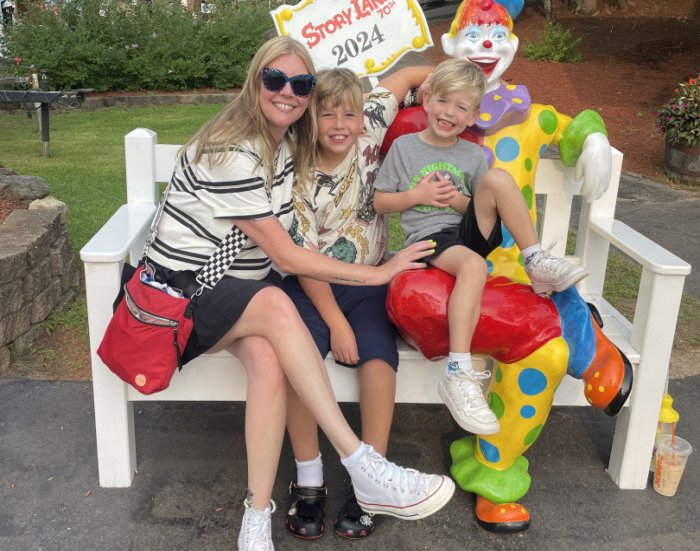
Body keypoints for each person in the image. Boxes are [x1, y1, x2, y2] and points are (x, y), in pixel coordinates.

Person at [146, 36, 454, 551]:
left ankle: (256, 516)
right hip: (184, 294)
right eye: (275, 79)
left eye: (301, 83)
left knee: (271, 361)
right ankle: (363, 464)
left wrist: (454, 79)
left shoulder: (287, 142)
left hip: (240, 295)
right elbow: (288, 258)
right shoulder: (233, 150)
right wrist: (379, 275)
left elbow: (393, 84)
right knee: (277, 301)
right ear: (255, 81)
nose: (287, 91)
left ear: (309, 95)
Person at [373, 58, 589, 436]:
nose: (449, 112)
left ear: (473, 115)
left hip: (468, 231)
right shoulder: (405, 148)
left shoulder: (472, 154)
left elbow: (478, 205)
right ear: (427, 101)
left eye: (461, 107)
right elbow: (380, 201)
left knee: (499, 179)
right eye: (443, 101)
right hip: (430, 238)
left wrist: (456, 199)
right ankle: (458, 372)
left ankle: (535, 260)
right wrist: (417, 196)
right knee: (473, 266)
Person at [282, 65, 433, 541]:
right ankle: (309, 476)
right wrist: (335, 323)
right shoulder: (296, 172)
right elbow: (304, 261)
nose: (340, 124)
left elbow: (407, 76)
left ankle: (374, 477)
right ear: (310, 118)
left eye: (348, 114)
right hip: (311, 286)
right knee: (298, 358)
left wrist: (436, 79)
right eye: (327, 115)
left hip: (371, 281)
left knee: (378, 356)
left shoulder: (369, 127)